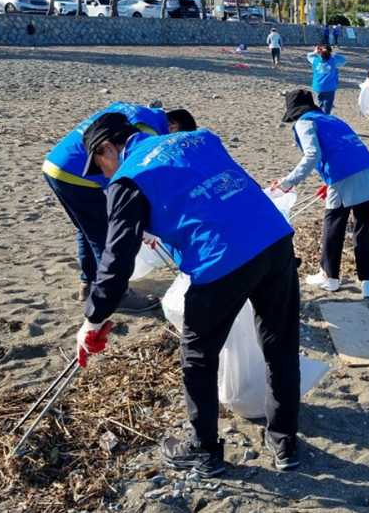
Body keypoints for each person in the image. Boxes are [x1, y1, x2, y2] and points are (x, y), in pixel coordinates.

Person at [77, 113, 300, 477]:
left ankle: (204, 450)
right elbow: (209, 192)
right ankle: (285, 441)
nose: (102, 173)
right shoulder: (199, 138)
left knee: (197, 357)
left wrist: (93, 320)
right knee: (280, 344)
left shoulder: (126, 180)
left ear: (107, 148)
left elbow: (116, 263)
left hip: (220, 261)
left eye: (99, 163)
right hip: (273, 240)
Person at [43, 102, 193, 309]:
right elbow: (137, 174)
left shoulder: (137, 111)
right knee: (105, 236)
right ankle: (117, 295)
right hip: (78, 172)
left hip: (55, 165)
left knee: (87, 229)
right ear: (173, 126)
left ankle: (88, 284)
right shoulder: (147, 131)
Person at [274, 90, 369, 296]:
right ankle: (367, 282)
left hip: (343, 176)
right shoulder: (331, 118)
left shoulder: (304, 123)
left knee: (333, 226)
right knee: (361, 228)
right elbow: (344, 149)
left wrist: (287, 183)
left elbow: (313, 155)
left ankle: (330, 277)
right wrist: (328, 182)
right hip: (367, 171)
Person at [307, 44, 346, 114]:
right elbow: (343, 60)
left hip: (317, 87)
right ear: (330, 53)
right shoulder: (333, 61)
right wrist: (333, 54)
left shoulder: (315, 60)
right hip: (329, 88)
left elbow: (309, 56)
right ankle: (324, 118)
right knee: (327, 109)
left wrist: (315, 52)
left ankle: (321, 113)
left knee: (320, 103)